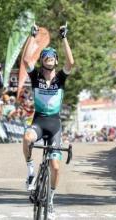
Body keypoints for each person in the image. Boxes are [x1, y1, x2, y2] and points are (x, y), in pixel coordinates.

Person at [21, 23, 74, 218]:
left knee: (56, 167)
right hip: (39, 121)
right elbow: (26, 59)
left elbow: (71, 62)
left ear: (55, 61)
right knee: (27, 138)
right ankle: (30, 172)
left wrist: (64, 38)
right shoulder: (35, 77)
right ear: (43, 60)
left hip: (54, 124)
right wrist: (32, 36)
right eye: (46, 57)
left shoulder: (60, 78)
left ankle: (51, 200)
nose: (49, 59)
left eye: (52, 57)